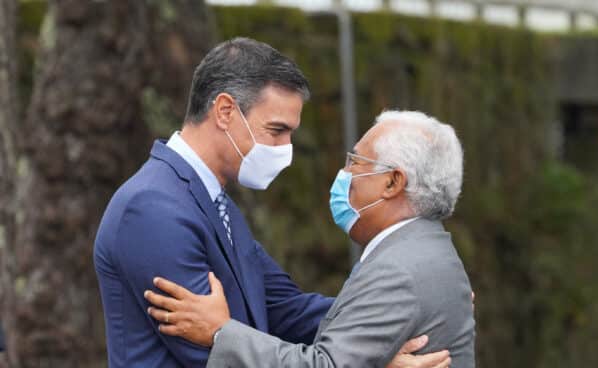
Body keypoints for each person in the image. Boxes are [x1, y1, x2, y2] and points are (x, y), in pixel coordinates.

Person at [94, 38, 450, 368]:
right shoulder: (153, 210)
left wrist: (404, 310)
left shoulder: (217, 205)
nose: (285, 150)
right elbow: (212, 355)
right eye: (276, 131)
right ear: (224, 111)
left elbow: (287, 310)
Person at [145, 110, 476, 367]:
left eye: (355, 162)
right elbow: (294, 309)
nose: (343, 175)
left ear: (392, 183)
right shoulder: (427, 250)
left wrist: (219, 331)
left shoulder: (398, 270)